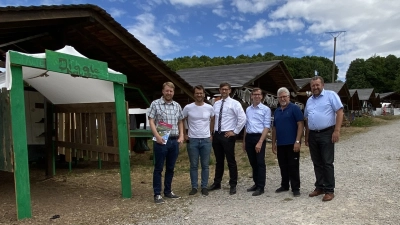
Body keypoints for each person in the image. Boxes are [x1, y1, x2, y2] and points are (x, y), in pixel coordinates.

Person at [304, 76, 343, 202]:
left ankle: (329, 190)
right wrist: (307, 136)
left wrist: (336, 130)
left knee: (327, 162)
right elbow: (307, 118)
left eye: (317, 85)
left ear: (323, 85)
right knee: (317, 163)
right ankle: (319, 187)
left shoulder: (331, 95)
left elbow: (340, 112)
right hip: (313, 135)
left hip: (327, 133)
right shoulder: (309, 100)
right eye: (313, 86)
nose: (315, 87)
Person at [148, 81, 185, 204]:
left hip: (174, 140)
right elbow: (151, 121)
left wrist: (181, 135)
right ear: (163, 91)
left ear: (173, 92)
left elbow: (180, 121)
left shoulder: (177, 105)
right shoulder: (156, 104)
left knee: (170, 167)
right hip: (161, 139)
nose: (169, 93)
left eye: (171, 91)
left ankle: (168, 191)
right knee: (158, 168)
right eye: (167, 90)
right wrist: (157, 136)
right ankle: (157, 194)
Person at [208, 82, 246, 195]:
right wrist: (211, 132)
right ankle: (217, 183)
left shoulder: (235, 103)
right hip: (217, 135)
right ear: (219, 90)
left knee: (231, 161)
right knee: (219, 161)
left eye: (226, 89)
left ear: (229, 90)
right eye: (222, 89)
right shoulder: (216, 104)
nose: (224, 91)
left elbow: (242, 118)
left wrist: (234, 132)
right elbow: (213, 119)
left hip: (227, 135)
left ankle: (233, 184)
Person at [182, 85, 215, 196]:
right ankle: (194, 186)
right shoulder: (188, 107)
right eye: (197, 93)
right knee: (194, 165)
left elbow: (212, 119)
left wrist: (211, 133)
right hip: (193, 140)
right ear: (194, 94)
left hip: (205, 139)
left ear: (204, 94)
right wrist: (185, 133)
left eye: (201, 93)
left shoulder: (209, 108)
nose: (199, 95)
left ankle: (204, 186)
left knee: (205, 165)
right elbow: (182, 119)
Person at [272, 87, 304, 197]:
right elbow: (274, 128)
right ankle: (284, 185)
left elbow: (300, 124)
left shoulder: (294, 108)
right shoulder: (276, 111)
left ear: (288, 97)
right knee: (283, 165)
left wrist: (298, 141)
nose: (282, 98)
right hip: (281, 144)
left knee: (293, 166)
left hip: (292, 143)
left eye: (284, 96)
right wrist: (273, 143)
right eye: (280, 97)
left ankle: (295, 188)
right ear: (277, 98)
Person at [242, 88, 271, 196]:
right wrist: (244, 141)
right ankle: (256, 183)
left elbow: (267, 127)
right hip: (249, 137)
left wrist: (260, 142)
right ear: (251, 96)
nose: (257, 96)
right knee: (253, 162)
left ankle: (261, 186)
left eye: (259, 94)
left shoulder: (266, 109)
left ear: (262, 96)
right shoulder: (248, 109)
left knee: (260, 163)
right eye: (254, 94)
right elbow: (246, 126)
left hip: (259, 137)